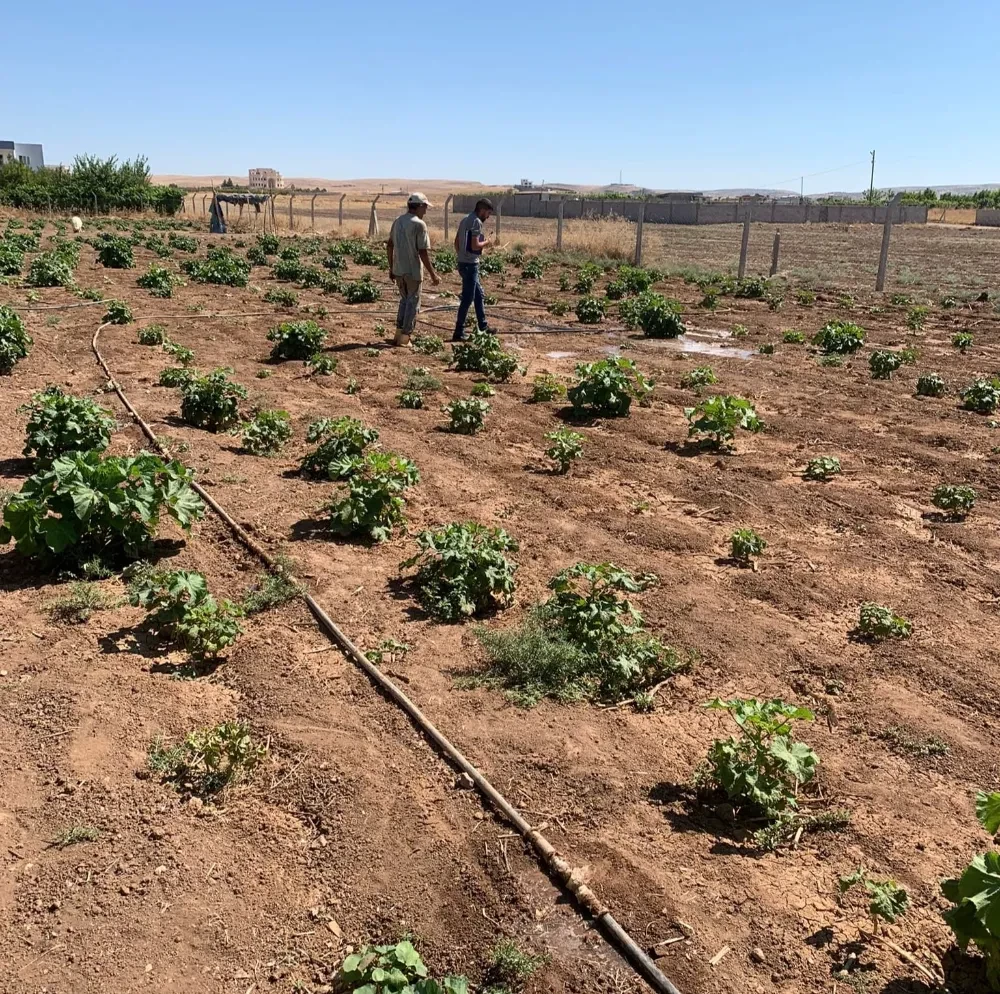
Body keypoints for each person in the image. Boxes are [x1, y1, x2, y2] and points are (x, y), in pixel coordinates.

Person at [387, 192, 440, 346]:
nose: (425, 211)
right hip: (413, 271)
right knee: (413, 304)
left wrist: (391, 267)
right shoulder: (419, 224)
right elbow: (422, 252)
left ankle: (398, 333)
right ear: (420, 206)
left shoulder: (398, 221)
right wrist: (433, 274)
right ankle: (405, 338)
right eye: (425, 207)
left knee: (404, 301)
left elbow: (390, 245)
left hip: (398, 270)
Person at [453, 198, 494, 341]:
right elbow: (476, 245)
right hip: (471, 265)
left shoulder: (465, 219)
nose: (488, 216)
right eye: (488, 213)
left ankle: (483, 326)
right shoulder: (476, 221)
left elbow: (456, 241)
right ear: (482, 210)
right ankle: (458, 331)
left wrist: (461, 257)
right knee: (468, 298)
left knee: (478, 295)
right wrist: (487, 242)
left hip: (464, 263)